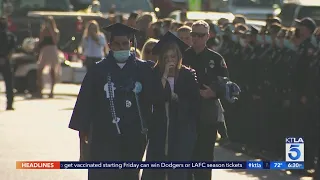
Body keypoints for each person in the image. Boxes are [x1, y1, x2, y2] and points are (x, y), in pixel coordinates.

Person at [69, 23, 164, 180]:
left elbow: (156, 98)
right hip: (104, 135)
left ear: (131, 44)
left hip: (134, 134)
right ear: (110, 45)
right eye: (117, 44)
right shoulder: (98, 70)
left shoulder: (144, 70)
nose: (121, 47)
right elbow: (86, 101)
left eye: (125, 43)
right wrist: (83, 130)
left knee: (129, 175)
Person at [148, 32, 200, 180]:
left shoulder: (188, 74)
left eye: (173, 57)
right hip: (160, 126)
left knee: (178, 169)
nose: (170, 60)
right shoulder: (155, 74)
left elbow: (195, 103)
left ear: (178, 57)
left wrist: (177, 99)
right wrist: (164, 75)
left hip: (181, 126)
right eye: (166, 57)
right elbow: (154, 97)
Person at [183, 20, 229, 180]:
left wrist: (213, 92)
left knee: (205, 156)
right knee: (187, 155)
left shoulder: (215, 58)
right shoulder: (183, 56)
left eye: (200, 35)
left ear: (207, 36)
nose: (196, 38)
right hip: (186, 111)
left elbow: (224, 81)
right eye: (193, 34)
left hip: (206, 113)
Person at [36, 16, 60, 98]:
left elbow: (55, 41)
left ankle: (51, 91)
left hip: (52, 50)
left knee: (52, 71)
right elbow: (40, 41)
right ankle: (40, 89)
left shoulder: (56, 31)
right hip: (44, 50)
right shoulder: (43, 31)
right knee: (40, 69)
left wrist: (51, 31)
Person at [0, 17, 15, 110]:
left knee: (9, 83)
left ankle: (10, 103)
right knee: (9, 83)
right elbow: (12, 49)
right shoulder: (10, 35)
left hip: (4, 59)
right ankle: (9, 103)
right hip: (6, 60)